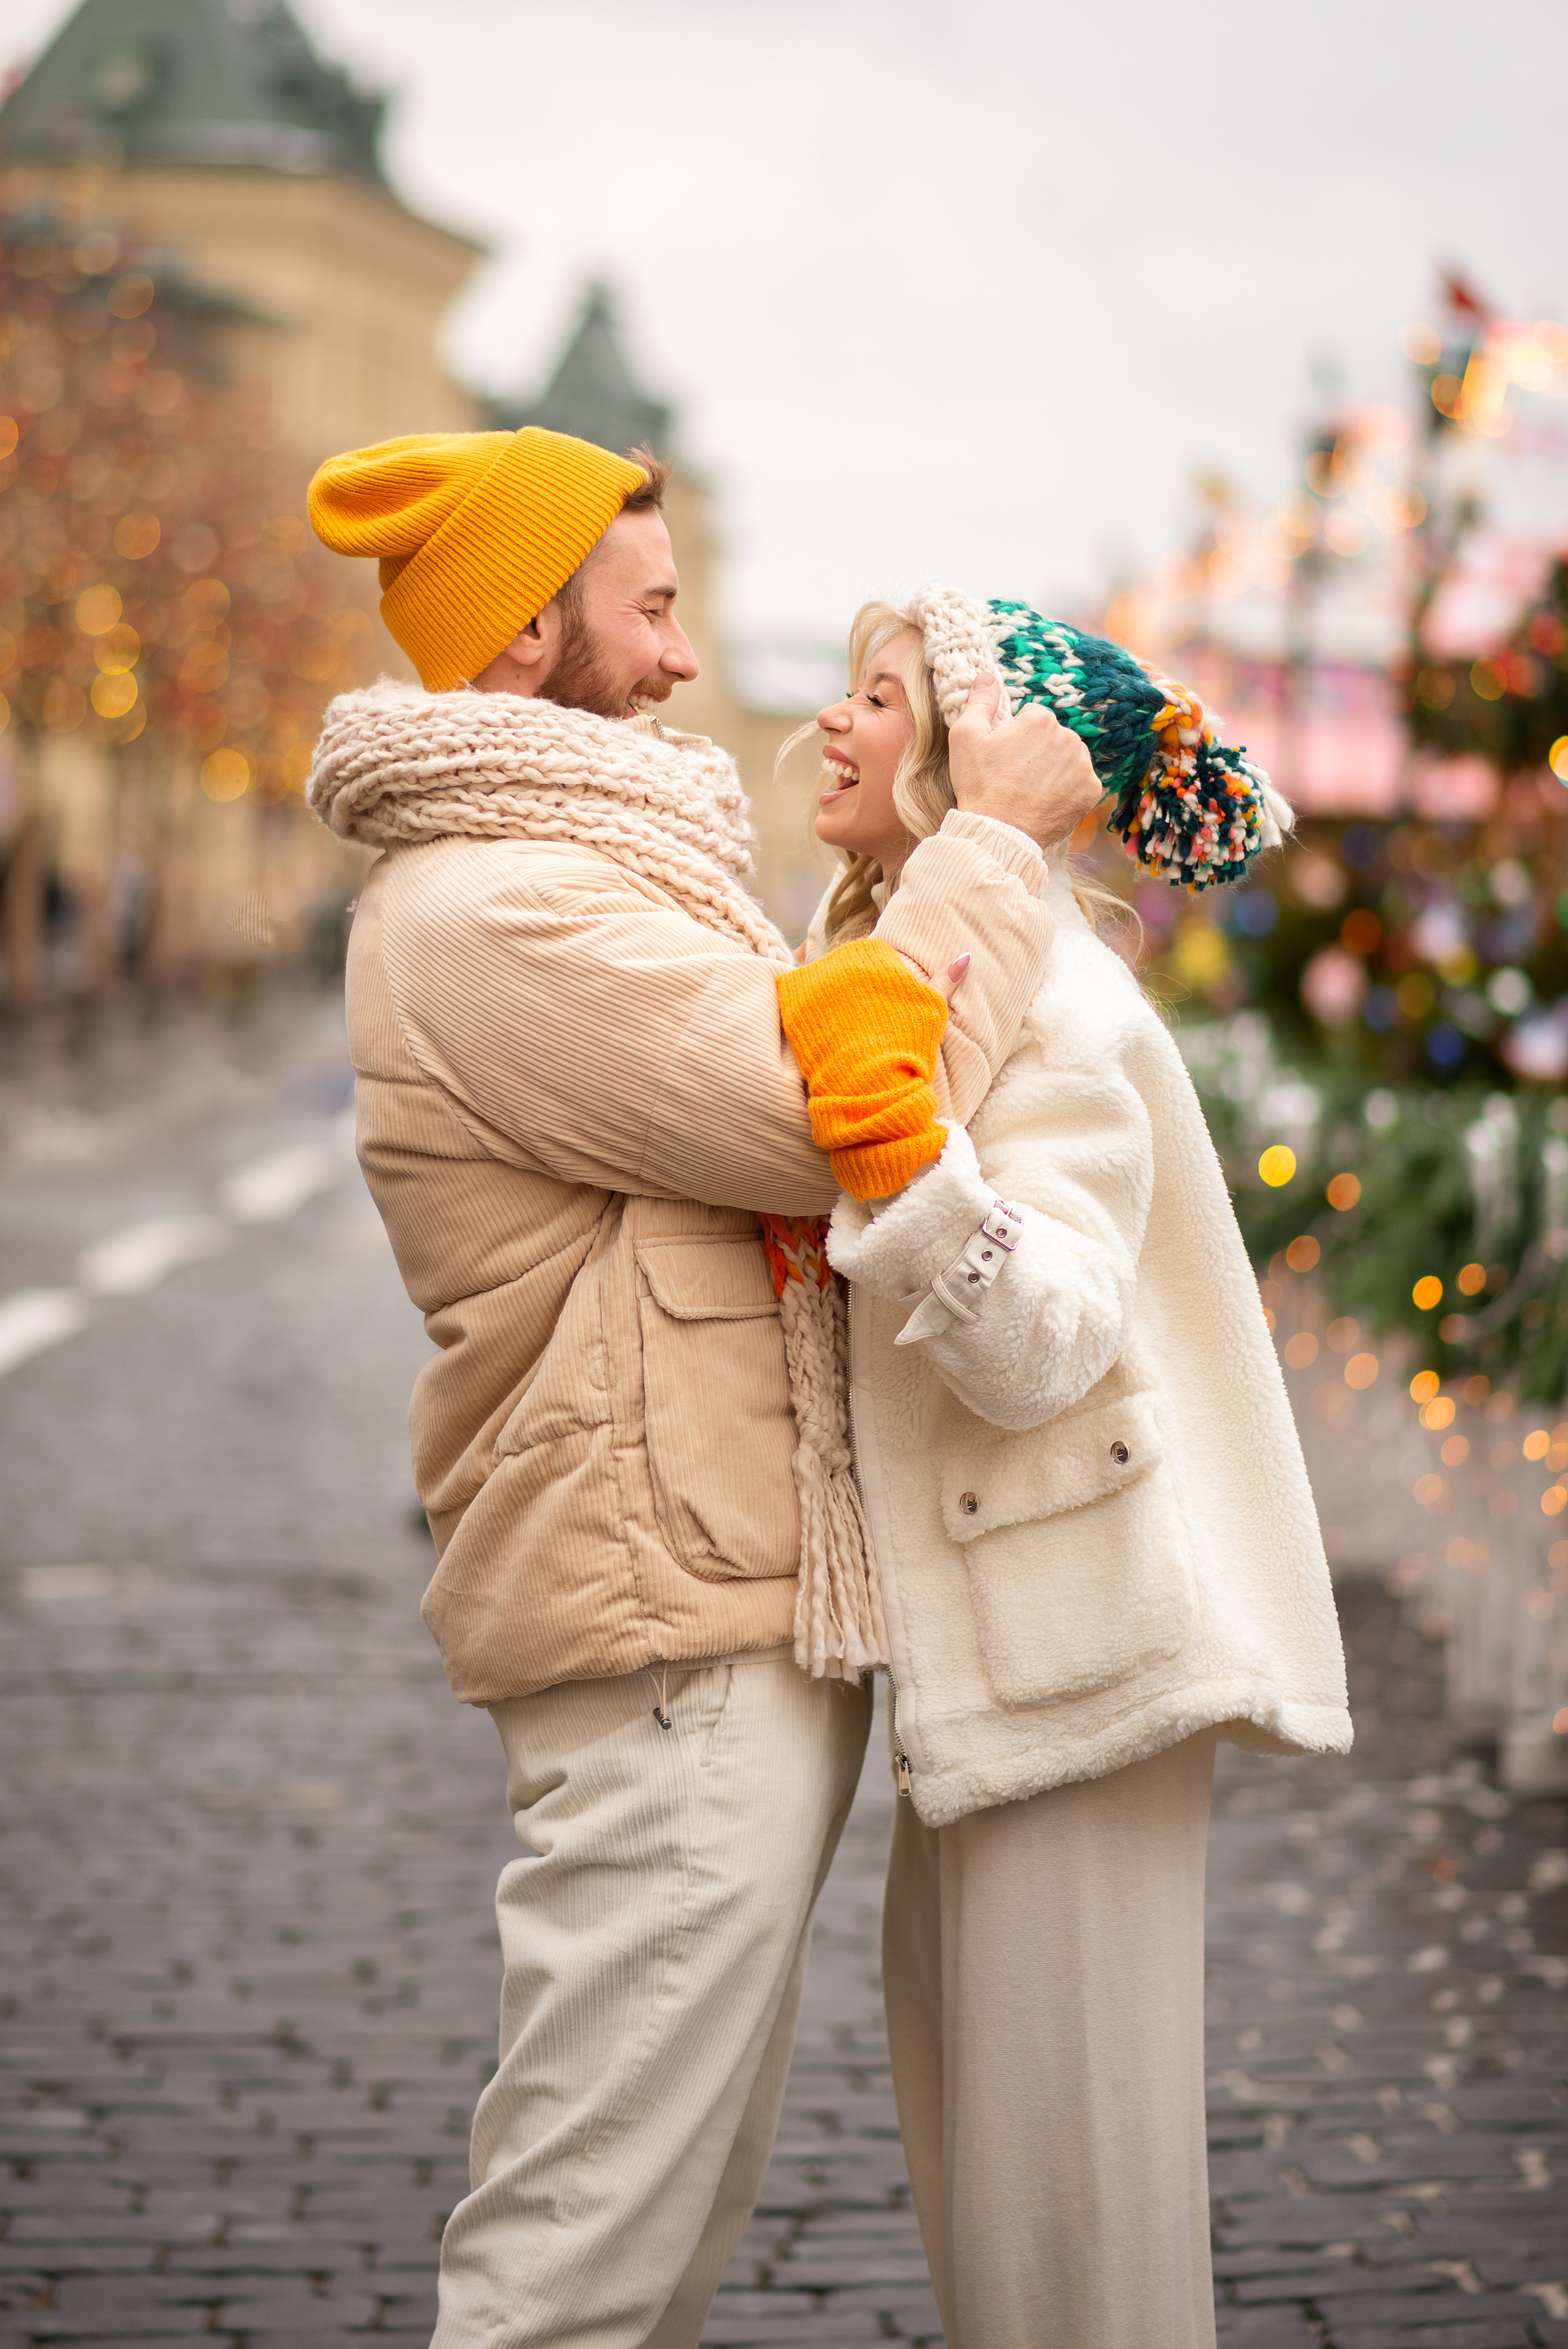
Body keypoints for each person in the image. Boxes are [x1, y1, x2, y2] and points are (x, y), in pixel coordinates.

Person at [303, 428, 1102, 2348]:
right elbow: (840, 1123)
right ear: (519, 640)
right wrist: (984, 851)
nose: (679, 658)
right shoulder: (499, 905)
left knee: (652, 2236)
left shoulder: (582, 863)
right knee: (578, 2258)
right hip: (665, 1618)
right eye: (650, 611)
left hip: (716, 1591)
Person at [773, 586, 1354, 2349]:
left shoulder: (1063, 1010)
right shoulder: (913, 957)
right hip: (1005, 1663)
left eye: (881, 697)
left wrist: (910, 1170)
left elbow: (1048, 1335)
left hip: (1083, 1663)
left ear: (970, 763)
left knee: (1078, 2241)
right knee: (996, 2212)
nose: (832, 723)